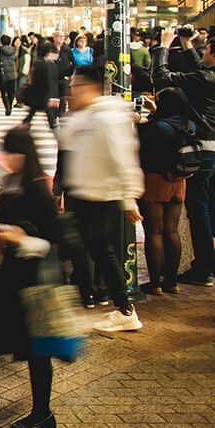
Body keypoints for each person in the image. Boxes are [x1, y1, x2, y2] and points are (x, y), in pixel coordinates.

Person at [0, 127, 61, 428]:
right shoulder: (13, 182)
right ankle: (31, 401)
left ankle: (42, 413)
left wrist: (20, 238)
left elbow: (52, 242)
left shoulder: (39, 189)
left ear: (25, 154)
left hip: (36, 279)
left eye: (12, 152)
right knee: (1, 331)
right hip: (14, 275)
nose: (7, 158)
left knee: (37, 349)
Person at [151, 28, 215, 286]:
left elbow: (161, 76)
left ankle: (203, 270)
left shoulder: (207, 79)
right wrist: (187, 44)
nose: (203, 52)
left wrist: (163, 46)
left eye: (206, 49)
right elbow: (202, 71)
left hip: (204, 151)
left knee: (199, 212)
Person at [62, 66, 144, 329]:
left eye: (75, 87)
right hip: (84, 194)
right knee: (93, 249)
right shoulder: (85, 116)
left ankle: (124, 310)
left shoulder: (106, 118)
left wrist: (129, 198)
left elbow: (122, 158)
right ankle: (114, 305)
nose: (71, 92)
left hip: (100, 197)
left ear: (91, 87)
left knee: (101, 252)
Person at [136, 87, 193, 295]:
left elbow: (143, 149)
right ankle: (171, 281)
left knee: (154, 231)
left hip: (155, 181)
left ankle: (155, 283)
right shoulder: (189, 124)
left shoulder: (157, 127)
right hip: (178, 181)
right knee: (171, 231)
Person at [22, 41, 62, 132]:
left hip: (42, 95)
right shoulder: (42, 64)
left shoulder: (50, 64)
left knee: (32, 114)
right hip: (42, 94)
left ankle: (24, 126)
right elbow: (46, 81)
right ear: (49, 53)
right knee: (49, 118)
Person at [0, 35, 19, 116]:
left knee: (3, 92)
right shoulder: (14, 50)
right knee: (11, 92)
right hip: (13, 73)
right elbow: (16, 60)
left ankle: (7, 107)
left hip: (3, 74)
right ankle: (10, 106)